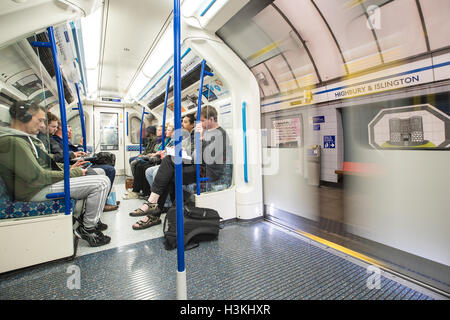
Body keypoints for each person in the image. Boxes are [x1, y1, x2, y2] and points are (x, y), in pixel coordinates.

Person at [0, 101, 111, 247]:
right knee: (101, 182)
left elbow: (48, 163)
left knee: (99, 173)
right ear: (24, 117)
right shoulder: (13, 142)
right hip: (33, 191)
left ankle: (88, 218)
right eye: (39, 120)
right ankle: (87, 228)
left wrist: (69, 170)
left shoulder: (24, 139)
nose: (41, 125)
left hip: (39, 185)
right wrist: (74, 172)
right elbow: (37, 176)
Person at [131, 106, 231, 230]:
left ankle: (153, 211)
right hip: (199, 165)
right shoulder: (208, 132)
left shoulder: (220, 135)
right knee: (168, 160)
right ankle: (153, 205)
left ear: (211, 119)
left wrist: (199, 140)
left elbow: (201, 158)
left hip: (208, 172)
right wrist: (183, 151)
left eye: (202, 121)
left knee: (169, 175)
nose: (200, 124)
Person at [50, 119, 118, 212]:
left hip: (74, 164)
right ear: (61, 128)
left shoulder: (65, 141)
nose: (70, 130)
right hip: (72, 164)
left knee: (107, 161)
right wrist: (75, 153)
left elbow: (70, 153)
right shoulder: (55, 141)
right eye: (69, 128)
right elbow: (60, 157)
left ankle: (107, 199)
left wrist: (78, 152)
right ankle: (104, 202)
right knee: (109, 169)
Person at [125, 125, 174, 199]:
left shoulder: (166, 140)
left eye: (168, 130)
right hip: (156, 157)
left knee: (142, 166)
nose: (166, 132)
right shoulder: (164, 141)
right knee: (139, 164)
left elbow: (163, 153)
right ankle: (140, 189)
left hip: (160, 159)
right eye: (157, 130)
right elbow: (153, 151)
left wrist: (154, 154)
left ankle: (145, 191)